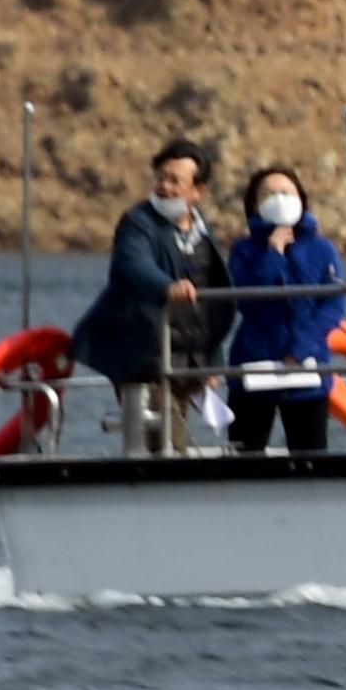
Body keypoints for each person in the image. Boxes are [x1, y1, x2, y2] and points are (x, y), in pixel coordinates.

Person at [70, 139, 230, 454]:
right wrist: (165, 286)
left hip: (187, 360)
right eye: (161, 178)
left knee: (177, 433)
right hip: (146, 359)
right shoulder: (138, 222)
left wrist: (212, 360)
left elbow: (213, 300)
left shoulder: (202, 234)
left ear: (198, 192)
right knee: (164, 445)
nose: (164, 187)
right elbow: (133, 262)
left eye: (175, 181)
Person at [220, 165, 346, 454]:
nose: (278, 199)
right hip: (254, 366)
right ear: (254, 204)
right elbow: (246, 298)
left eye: (285, 192)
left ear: (301, 198)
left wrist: (301, 346)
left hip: (307, 369)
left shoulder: (322, 248)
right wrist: (272, 253)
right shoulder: (244, 250)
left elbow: (333, 304)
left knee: (311, 454)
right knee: (245, 452)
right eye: (269, 194)